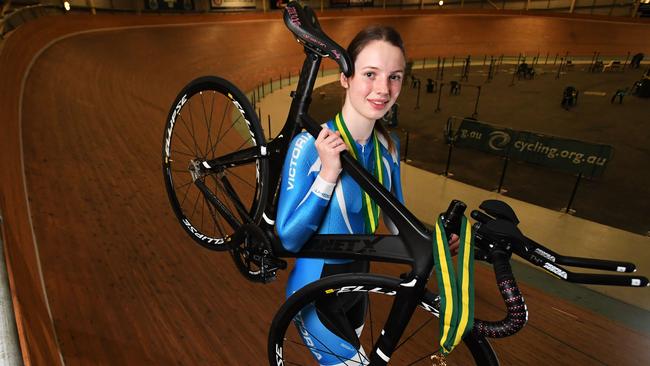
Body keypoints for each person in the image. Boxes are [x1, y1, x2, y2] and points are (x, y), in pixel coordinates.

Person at [276, 26, 459, 365]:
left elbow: (394, 216)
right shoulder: (308, 146)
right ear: (345, 78)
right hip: (316, 287)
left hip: (359, 280)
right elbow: (287, 238)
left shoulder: (388, 147)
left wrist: (430, 237)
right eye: (370, 74)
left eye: (395, 77)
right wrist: (328, 174)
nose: (383, 89)